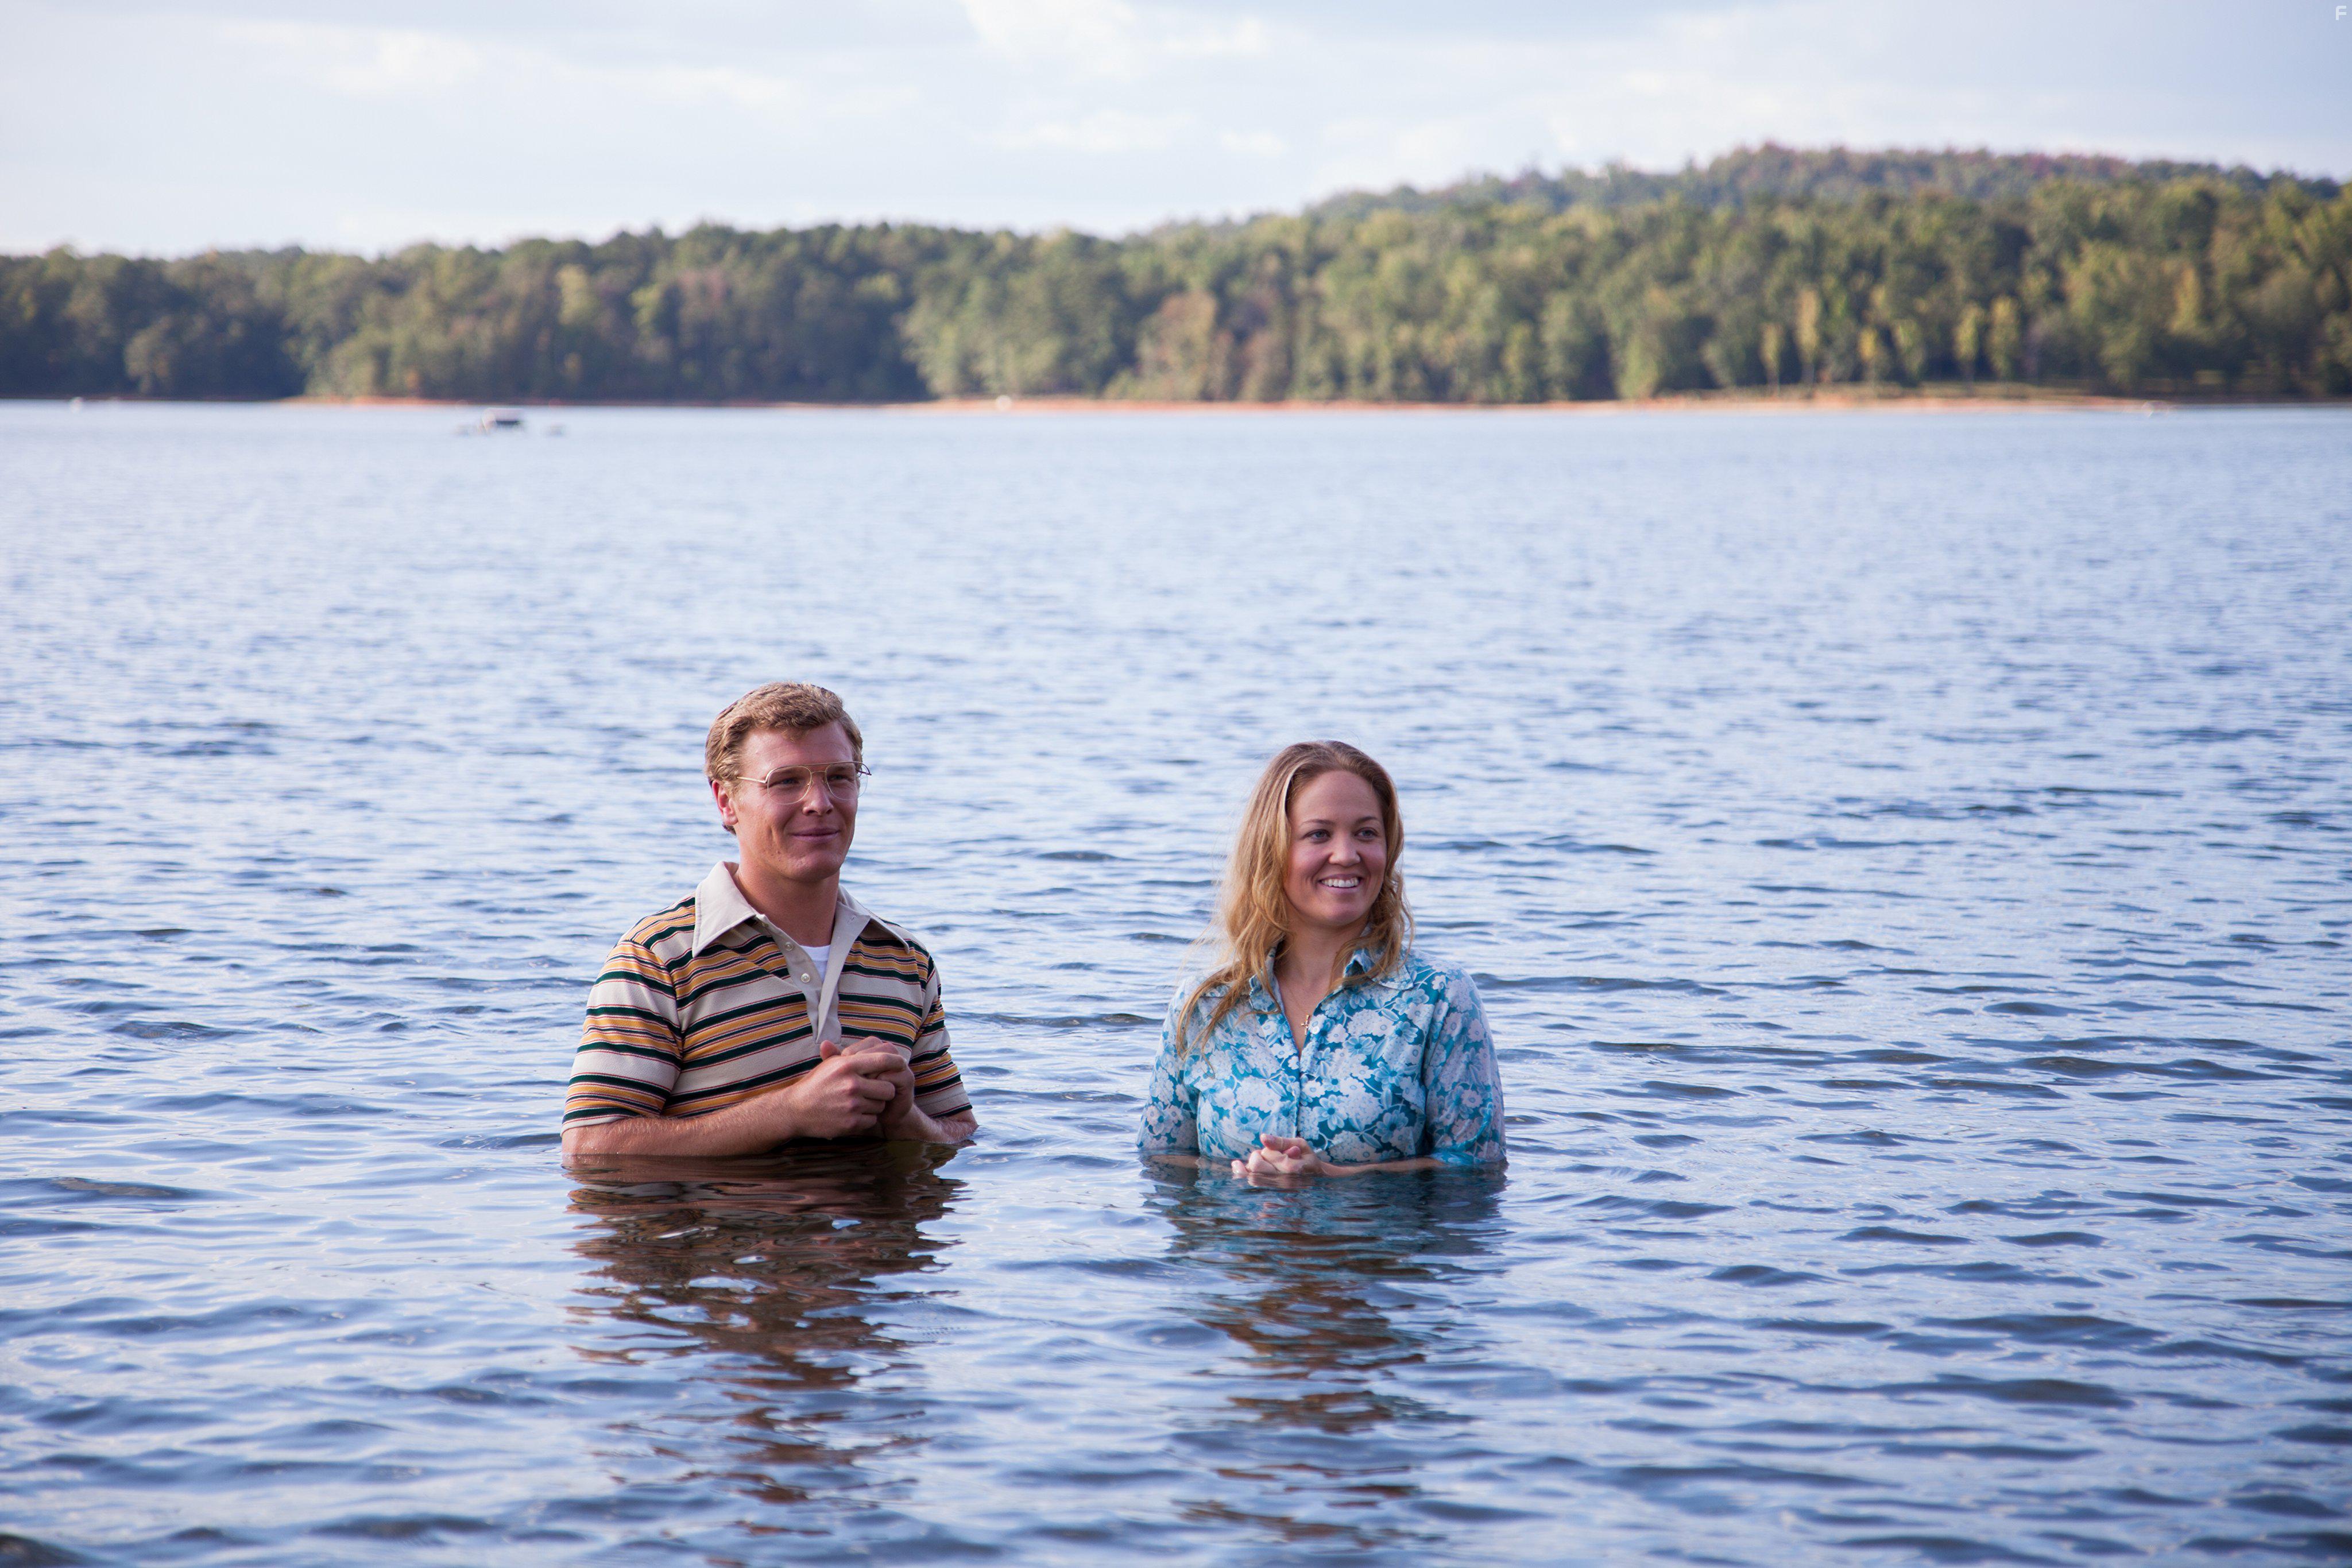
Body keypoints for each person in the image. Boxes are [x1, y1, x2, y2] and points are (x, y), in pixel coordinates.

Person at [562, 683, 976, 1157]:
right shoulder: (659, 958)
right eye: (786, 781)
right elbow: (590, 1148)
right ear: (726, 802)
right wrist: (790, 1112)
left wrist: (905, 1118)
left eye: (839, 777)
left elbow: (959, 1133)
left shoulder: (904, 961)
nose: (819, 801)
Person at [1139, 741, 1504, 1179]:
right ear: (1271, 849)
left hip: (1375, 1245)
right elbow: (1161, 1161)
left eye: (1367, 833)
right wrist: (1244, 1177)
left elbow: (1477, 1169)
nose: (1347, 854)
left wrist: (1332, 1177)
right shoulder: (1205, 1005)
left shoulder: (1438, 999)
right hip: (1236, 1246)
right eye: (1319, 834)